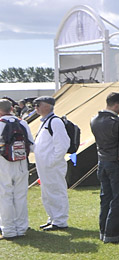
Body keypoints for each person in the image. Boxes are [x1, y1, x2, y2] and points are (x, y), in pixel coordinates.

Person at [90, 92, 119, 243]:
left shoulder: (94, 120)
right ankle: (112, 233)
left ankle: (103, 231)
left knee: (105, 197)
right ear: (117, 105)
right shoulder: (116, 122)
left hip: (102, 162)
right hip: (115, 163)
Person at [33, 96, 71, 231]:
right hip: (44, 166)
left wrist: (53, 161)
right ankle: (53, 218)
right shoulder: (45, 122)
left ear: (48, 106)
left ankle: (60, 220)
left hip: (52, 165)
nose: (35, 107)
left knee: (56, 191)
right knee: (47, 192)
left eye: (38, 104)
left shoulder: (55, 122)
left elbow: (63, 144)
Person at [0, 99, 33, 239]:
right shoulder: (22, 123)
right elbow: (31, 144)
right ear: (12, 109)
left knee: (5, 195)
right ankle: (21, 227)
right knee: (20, 195)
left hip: (3, 163)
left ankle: (8, 229)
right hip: (21, 163)